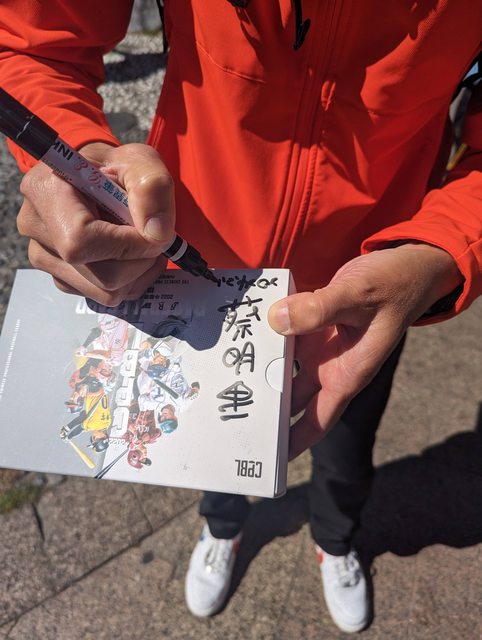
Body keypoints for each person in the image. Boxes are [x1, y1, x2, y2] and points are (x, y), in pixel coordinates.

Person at [1, 1, 481, 633]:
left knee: (344, 445)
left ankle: (336, 540)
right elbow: (37, 40)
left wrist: (444, 248)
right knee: (209, 434)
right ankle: (221, 526)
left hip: (374, 281)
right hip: (200, 270)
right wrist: (85, 163)